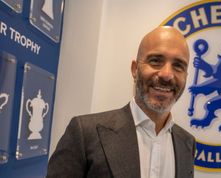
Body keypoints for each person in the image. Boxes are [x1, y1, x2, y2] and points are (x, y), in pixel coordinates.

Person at [46, 26, 195, 178]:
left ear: (186, 76)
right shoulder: (84, 133)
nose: (167, 75)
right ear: (135, 69)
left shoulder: (187, 143)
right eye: (156, 61)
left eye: (178, 65)